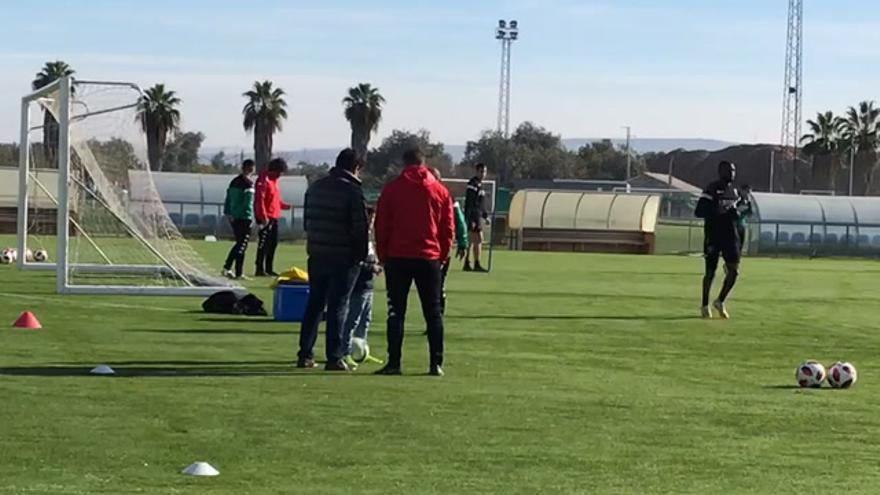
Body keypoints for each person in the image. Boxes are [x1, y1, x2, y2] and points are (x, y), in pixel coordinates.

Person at [374, 148, 454, 376]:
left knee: (396, 312)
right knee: (433, 312)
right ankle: (435, 363)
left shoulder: (392, 190)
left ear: (404, 163)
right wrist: (443, 256)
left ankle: (394, 363)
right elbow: (448, 228)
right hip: (429, 257)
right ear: (424, 163)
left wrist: (383, 255)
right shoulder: (440, 191)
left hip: (398, 257)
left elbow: (382, 225)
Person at [297, 149, 368, 371]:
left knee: (315, 304)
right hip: (343, 256)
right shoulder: (353, 192)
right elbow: (360, 228)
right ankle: (334, 356)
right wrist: (361, 256)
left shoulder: (316, 187)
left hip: (317, 253)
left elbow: (307, 222)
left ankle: (305, 354)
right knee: (339, 305)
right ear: (356, 168)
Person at [695, 160, 744, 319]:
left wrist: (736, 215)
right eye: (729, 170)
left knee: (734, 271)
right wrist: (721, 212)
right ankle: (704, 305)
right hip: (714, 235)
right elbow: (699, 211)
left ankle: (720, 301)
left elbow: (735, 212)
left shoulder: (734, 192)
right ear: (720, 171)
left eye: (734, 170)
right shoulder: (711, 189)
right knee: (710, 272)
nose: (732, 174)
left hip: (731, 236)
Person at [341, 206, 381, 370]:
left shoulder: (370, 238)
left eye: (372, 220)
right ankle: (345, 352)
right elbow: (355, 260)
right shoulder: (356, 237)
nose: (371, 223)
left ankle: (362, 349)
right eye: (369, 219)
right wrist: (372, 268)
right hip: (358, 284)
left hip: (368, 285)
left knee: (366, 319)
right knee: (353, 319)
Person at [429, 167, 469, 319]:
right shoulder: (444, 196)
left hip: (439, 250)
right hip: (430, 249)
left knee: (437, 285)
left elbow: (459, 222)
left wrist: (463, 242)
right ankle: (436, 318)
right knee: (434, 285)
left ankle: (437, 317)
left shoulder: (447, 197)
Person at [254, 158, 291, 277]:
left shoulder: (274, 182)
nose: (280, 175)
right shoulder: (264, 181)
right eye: (279, 172)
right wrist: (263, 216)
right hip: (265, 218)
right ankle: (259, 269)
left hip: (274, 217)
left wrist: (283, 205)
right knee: (264, 244)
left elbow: (274, 199)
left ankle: (269, 268)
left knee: (273, 243)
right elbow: (260, 200)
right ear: (274, 170)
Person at [221, 159, 256, 279]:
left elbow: (228, 199)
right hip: (244, 217)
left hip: (234, 218)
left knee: (239, 244)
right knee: (242, 245)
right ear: (251, 168)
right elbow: (247, 203)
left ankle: (227, 268)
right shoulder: (249, 184)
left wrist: (228, 213)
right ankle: (238, 272)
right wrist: (249, 216)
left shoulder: (233, 182)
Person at [463, 162, 489, 272]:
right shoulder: (473, 184)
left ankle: (468, 263)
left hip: (477, 215)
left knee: (473, 240)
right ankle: (475, 263)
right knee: (477, 239)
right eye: (481, 171)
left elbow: (481, 204)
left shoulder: (480, 184)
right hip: (473, 216)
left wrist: (485, 215)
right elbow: (470, 202)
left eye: (485, 172)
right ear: (477, 171)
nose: (483, 174)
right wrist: (472, 218)